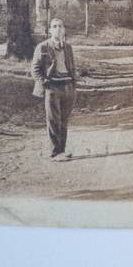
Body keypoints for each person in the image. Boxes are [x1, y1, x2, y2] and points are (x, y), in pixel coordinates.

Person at [31, 17, 77, 160]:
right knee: (53, 120)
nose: (57, 29)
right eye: (54, 26)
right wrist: (44, 82)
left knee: (64, 120)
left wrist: (74, 81)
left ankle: (62, 150)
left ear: (64, 29)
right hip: (52, 88)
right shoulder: (43, 47)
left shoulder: (68, 47)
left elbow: (72, 66)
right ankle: (55, 152)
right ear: (50, 30)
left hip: (68, 87)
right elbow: (35, 69)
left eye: (60, 26)